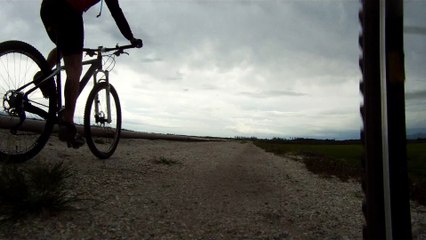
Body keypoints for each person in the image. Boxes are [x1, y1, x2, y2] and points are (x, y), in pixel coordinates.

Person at [38, 0, 142, 148]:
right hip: (68, 10)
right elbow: (116, 13)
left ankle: (42, 75)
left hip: (48, 7)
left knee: (64, 47)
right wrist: (131, 38)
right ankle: (67, 124)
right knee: (74, 69)